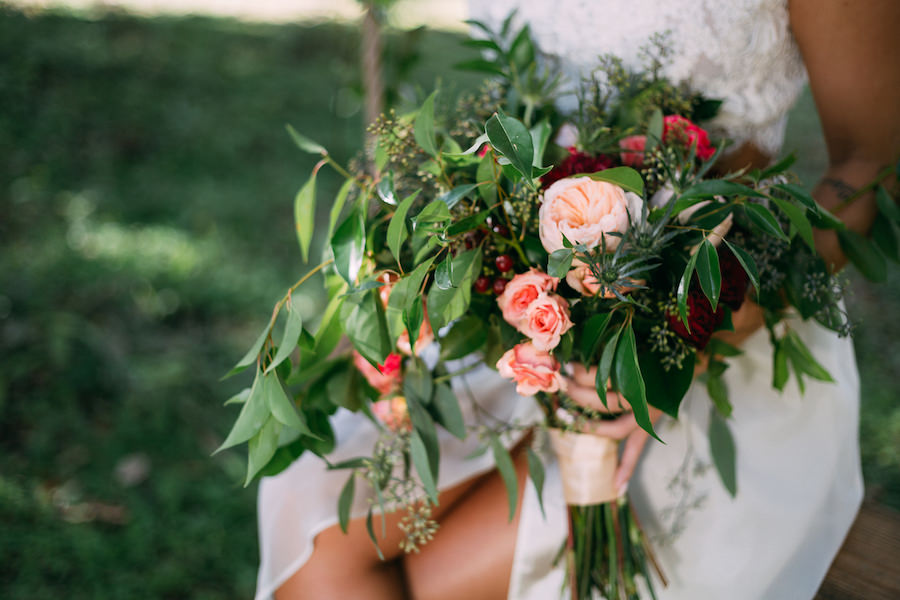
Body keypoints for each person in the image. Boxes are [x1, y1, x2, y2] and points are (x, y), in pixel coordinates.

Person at [256, 0, 900, 598]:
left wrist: (694, 334)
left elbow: (872, 159)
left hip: (721, 316)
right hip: (522, 297)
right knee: (312, 534)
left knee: (435, 577)